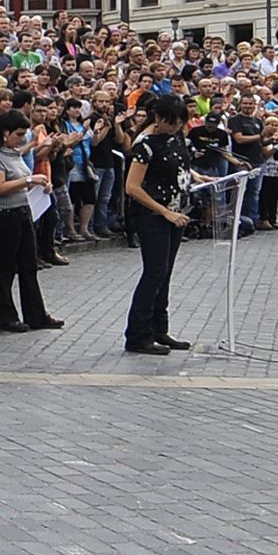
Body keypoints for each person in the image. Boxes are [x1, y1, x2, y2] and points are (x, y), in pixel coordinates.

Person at [121, 88, 195, 357]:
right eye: (171, 122)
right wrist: (164, 211)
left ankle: (158, 327)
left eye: (179, 123)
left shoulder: (174, 139)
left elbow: (177, 167)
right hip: (152, 215)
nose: (175, 127)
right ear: (158, 118)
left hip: (176, 211)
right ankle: (137, 334)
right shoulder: (145, 145)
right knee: (154, 272)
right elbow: (132, 187)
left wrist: (197, 178)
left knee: (165, 272)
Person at [0, 107, 60, 331]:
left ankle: (36, 314)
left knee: (29, 265)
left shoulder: (14, 153)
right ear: (5, 132)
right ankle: (3, 315)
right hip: (4, 214)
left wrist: (39, 183)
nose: (21, 138)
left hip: (22, 210)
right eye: (18, 134)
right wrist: (28, 180)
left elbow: (22, 178)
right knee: (5, 266)